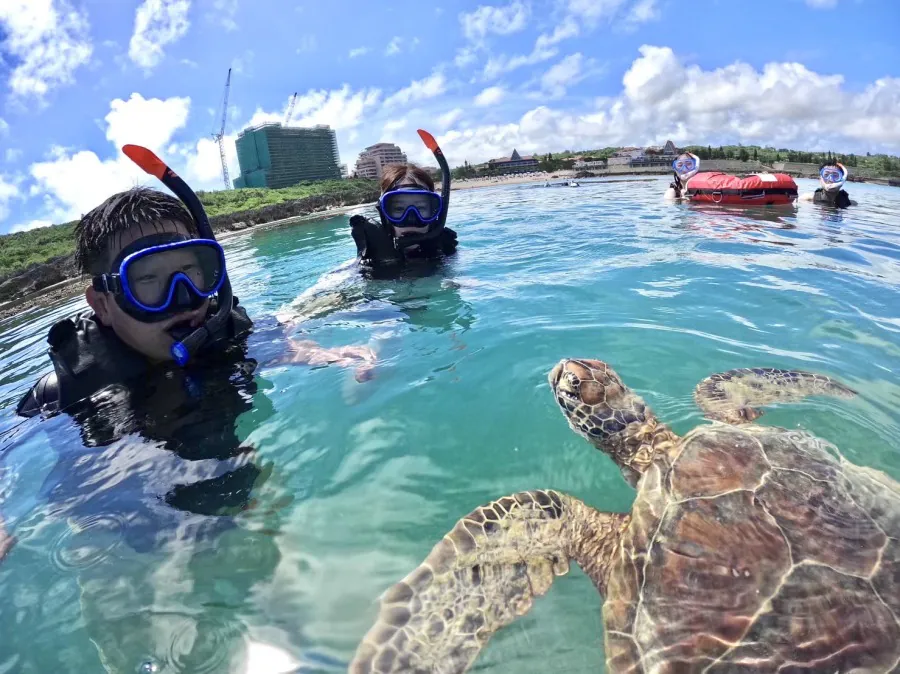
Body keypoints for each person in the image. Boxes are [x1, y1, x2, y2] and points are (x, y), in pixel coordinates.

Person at [349, 129, 457, 269]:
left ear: (435, 211)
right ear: (383, 213)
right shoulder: (364, 266)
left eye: (421, 208)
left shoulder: (446, 253)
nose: (411, 219)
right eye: (399, 209)